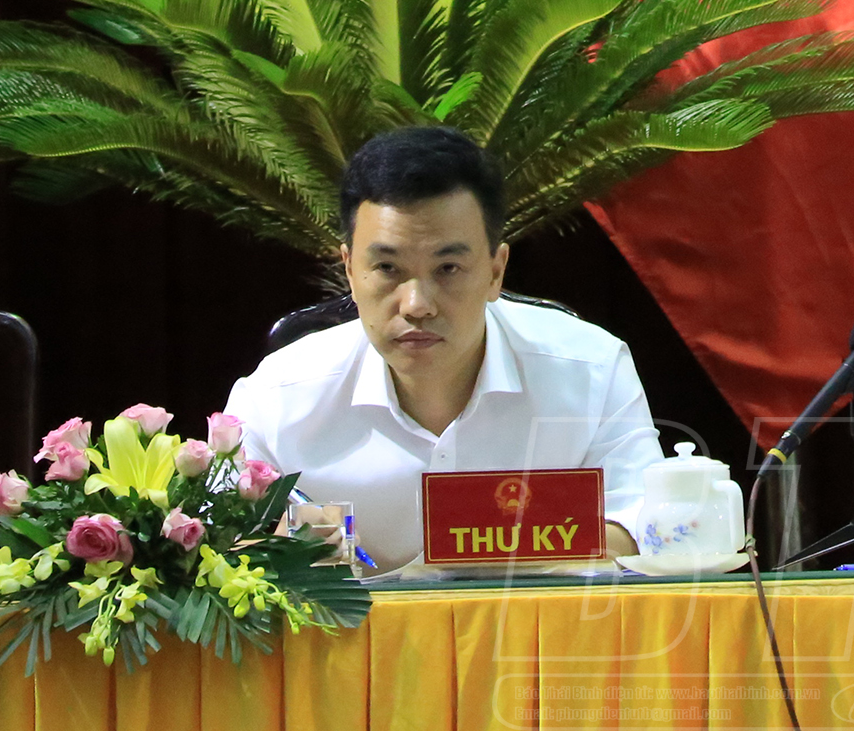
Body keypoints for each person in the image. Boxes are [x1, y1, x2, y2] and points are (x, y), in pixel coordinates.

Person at [223, 127, 664, 572]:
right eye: (387, 267)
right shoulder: (275, 397)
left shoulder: (592, 370)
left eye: (448, 268)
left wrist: (477, 566)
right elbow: (213, 545)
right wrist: (279, 552)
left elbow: (646, 527)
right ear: (350, 271)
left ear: (495, 271)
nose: (417, 305)